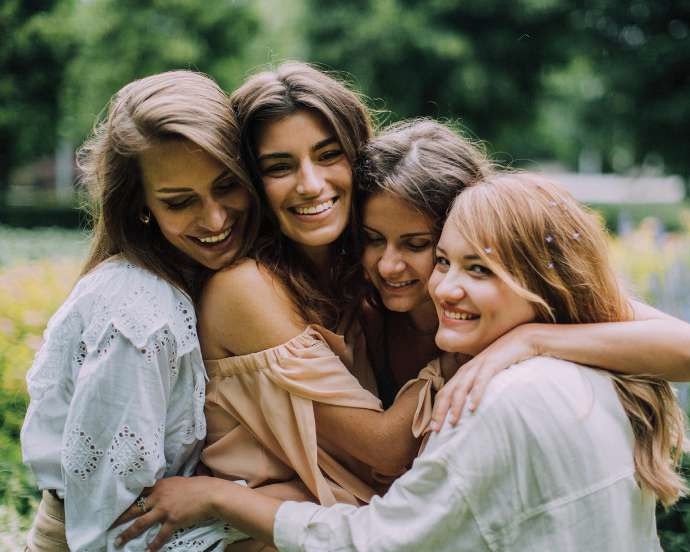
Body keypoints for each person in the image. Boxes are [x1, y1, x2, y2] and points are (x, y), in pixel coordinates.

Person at [115, 172, 687, 551]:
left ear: (541, 284)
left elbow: (378, 542)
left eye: (481, 270)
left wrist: (221, 499)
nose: (445, 287)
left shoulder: (493, 397)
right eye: (445, 260)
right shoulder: (595, 363)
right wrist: (532, 338)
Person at [20, 70, 260, 551]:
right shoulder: (140, 315)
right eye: (180, 202)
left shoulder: (198, 276)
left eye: (227, 185)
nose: (214, 219)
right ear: (141, 205)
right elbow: (108, 531)